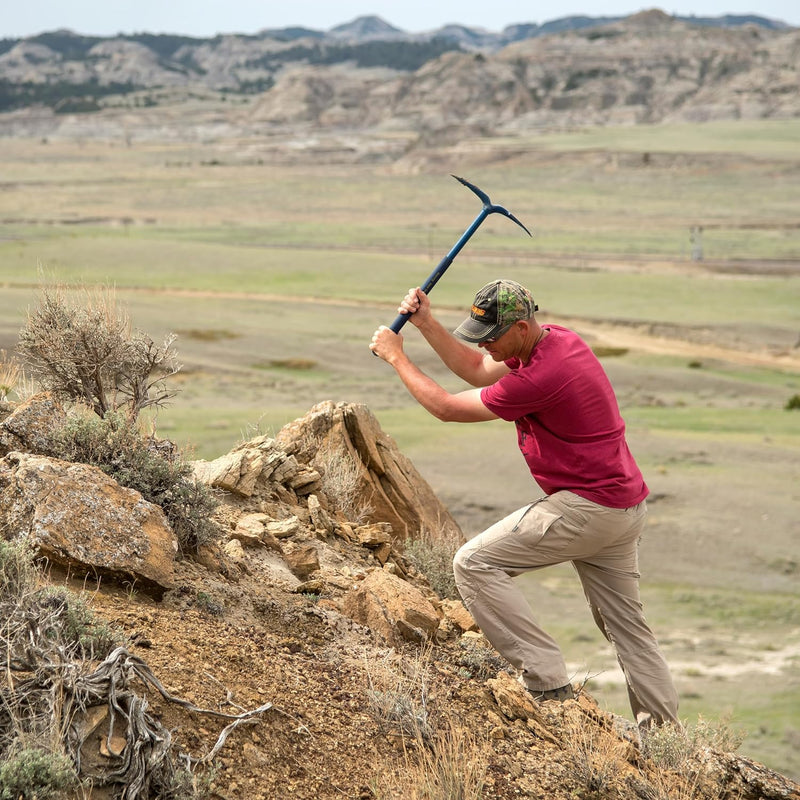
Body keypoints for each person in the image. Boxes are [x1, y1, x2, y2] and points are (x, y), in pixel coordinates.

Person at [370, 278, 679, 728]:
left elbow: (449, 408)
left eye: (492, 336)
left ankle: (545, 680)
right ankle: (665, 739)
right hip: (623, 508)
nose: (487, 346)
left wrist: (397, 356)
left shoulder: (541, 376)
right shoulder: (556, 341)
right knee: (628, 630)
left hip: (588, 509)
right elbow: (477, 370)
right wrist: (426, 324)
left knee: (474, 563)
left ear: (520, 326)